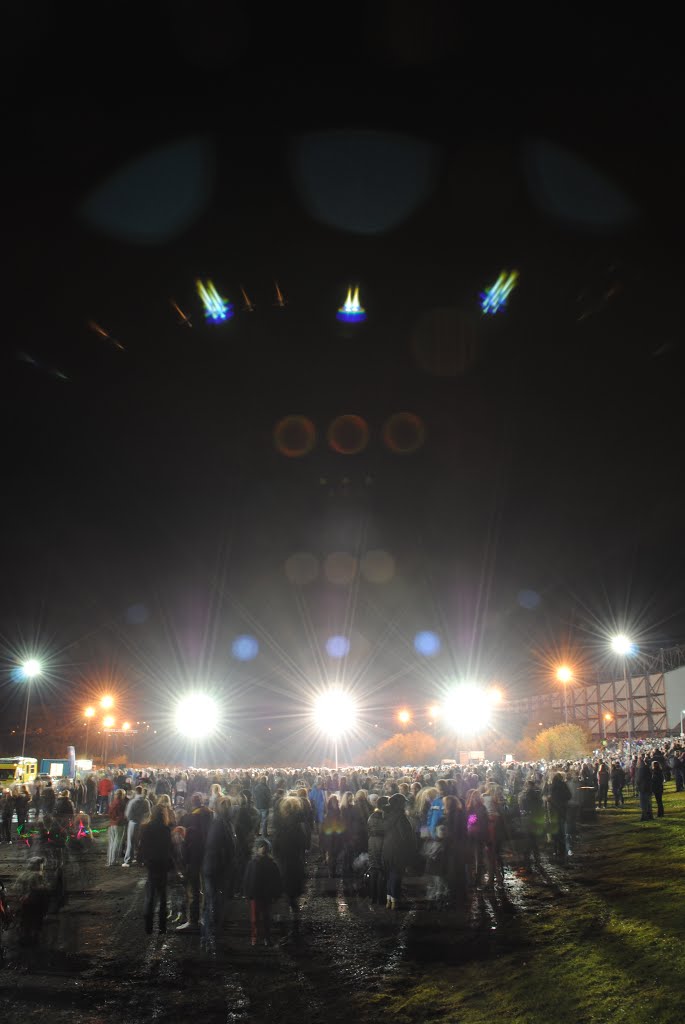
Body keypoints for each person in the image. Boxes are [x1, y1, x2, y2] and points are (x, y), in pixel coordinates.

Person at [202, 798, 235, 952]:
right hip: (216, 869)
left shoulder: (220, 823)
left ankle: (209, 938)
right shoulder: (221, 824)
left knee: (213, 903)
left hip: (213, 867)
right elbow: (222, 848)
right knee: (214, 904)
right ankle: (212, 940)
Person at [177, 793, 212, 932]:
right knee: (206, 889)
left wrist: (184, 860)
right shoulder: (211, 815)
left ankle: (194, 920)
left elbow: (187, 842)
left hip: (194, 858)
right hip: (208, 857)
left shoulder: (191, 818)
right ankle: (205, 917)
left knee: (194, 890)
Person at [139, 802, 173, 935]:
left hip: (152, 864)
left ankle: (148, 927)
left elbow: (143, 846)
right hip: (163, 864)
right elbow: (169, 848)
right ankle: (162, 927)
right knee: (163, 896)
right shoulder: (166, 829)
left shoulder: (146, 827)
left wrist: (142, 859)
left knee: (150, 895)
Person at [243, 838, 282, 946]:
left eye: (264, 846)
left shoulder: (271, 863)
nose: (263, 848)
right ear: (257, 849)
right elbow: (247, 879)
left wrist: (276, 893)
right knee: (255, 918)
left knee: (266, 917)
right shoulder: (253, 863)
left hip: (266, 895)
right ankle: (255, 937)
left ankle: (266, 937)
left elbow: (277, 879)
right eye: (261, 846)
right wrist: (247, 893)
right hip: (255, 895)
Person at [381, 793, 416, 910]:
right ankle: (395, 901)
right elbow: (405, 836)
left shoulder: (386, 814)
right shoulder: (401, 817)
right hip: (398, 850)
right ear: (400, 804)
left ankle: (389, 900)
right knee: (396, 875)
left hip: (387, 849)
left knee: (390, 875)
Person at [123, 786, 151, 866]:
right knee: (140, 842)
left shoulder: (132, 801)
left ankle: (128, 860)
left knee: (131, 842)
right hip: (142, 823)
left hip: (133, 823)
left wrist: (131, 819)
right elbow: (148, 813)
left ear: (135, 792)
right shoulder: (146, 801)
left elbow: (128, 814)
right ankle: (140, 859)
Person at [107, 790, 128, 866]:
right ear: (122, 795)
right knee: (117, 843)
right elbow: (124, 814)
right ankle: (113, 861)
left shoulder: (113, 802)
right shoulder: (122, 803)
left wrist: (113, 818)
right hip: (119, 824)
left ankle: (110, 861)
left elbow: (109, 812)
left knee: (112, 843)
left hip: (112, 823)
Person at [635, 756, 654, 821]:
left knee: (643, 803)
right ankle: (650, 815)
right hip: (648, 787)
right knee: (648, 802)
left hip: (643, 788)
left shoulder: (640, 770)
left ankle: (644, 816)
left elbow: (638, 780)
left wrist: (637, 785)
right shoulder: (647, 768)